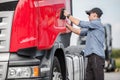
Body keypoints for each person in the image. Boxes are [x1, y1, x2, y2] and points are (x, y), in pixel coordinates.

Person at [63, 7, 105, 80]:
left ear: (95, 15)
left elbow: (79, 23)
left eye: (89, 14)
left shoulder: (96, 24)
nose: (88, 16)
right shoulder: (92, 27)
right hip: (91, 57)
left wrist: (68, 15)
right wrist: (68, 26)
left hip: (96, 57)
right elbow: (80, 32)